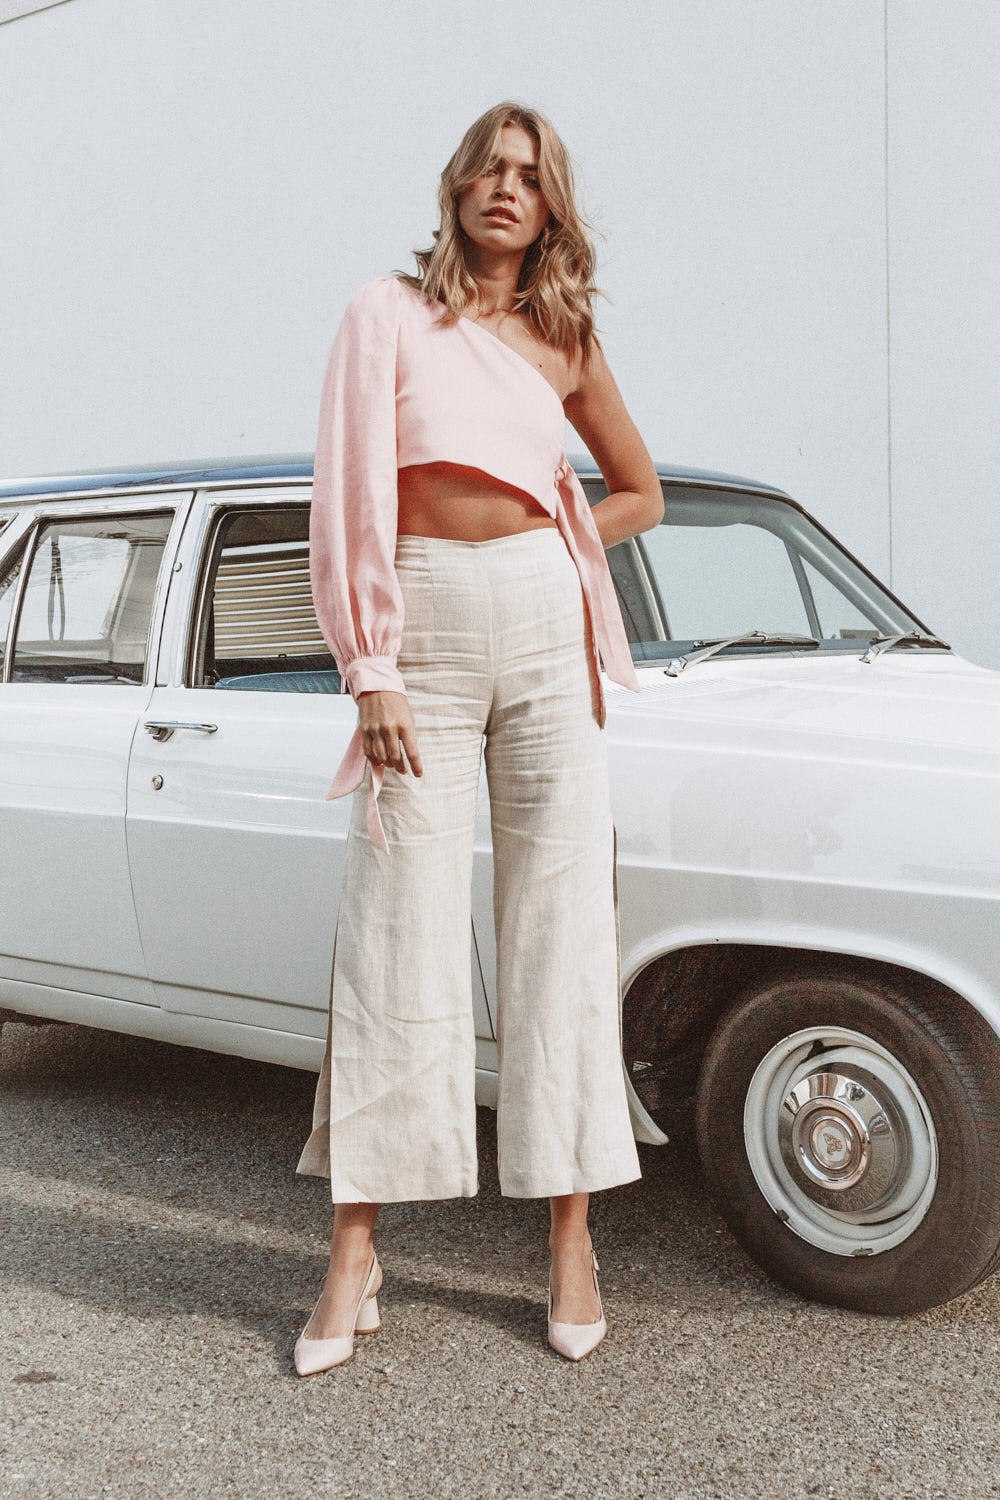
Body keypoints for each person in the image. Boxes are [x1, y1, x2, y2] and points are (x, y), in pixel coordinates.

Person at [293, 100, 663, 1374]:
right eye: (491, 169)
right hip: (422, 619)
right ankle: (354, 1253)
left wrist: (563, 540)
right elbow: (345, 494)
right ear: (457, 188)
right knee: (395, 927)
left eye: (531, 175)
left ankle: (572, 1240)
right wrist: (369, 669)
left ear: (550, 206)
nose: (508, 188)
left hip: (549, 624)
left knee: (562, 929)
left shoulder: (564, 335)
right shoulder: (386, 314)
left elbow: (640, 491)